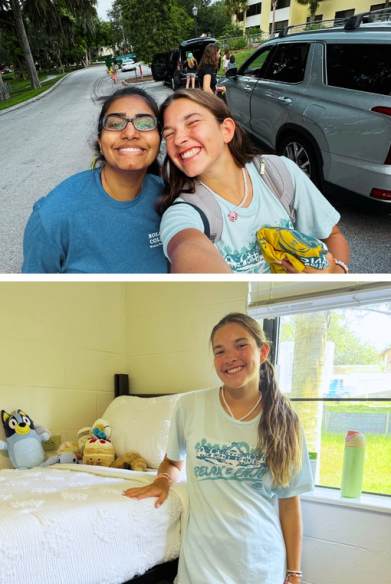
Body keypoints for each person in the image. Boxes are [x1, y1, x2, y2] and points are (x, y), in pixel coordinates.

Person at [124, 313, 312, 584]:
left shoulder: (286, 422)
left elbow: (290, 505)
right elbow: (174, 462)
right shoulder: (189, 407)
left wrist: (294, 573)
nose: (230, 357)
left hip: (260, 563)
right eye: (219, 350)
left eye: (241, 345)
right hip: (202, 566)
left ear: (263, 352)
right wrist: (163, 480)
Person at [157, 89, 350, 273]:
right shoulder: (183, 212)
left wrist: (337, 271)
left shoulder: (281, 173)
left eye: (192, 123)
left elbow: (332, 235)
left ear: (226, 130)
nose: (179, 139)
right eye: (169, 134)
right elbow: (187, 247)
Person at [22, 86, 167, 273]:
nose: (130, 133)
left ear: (159, 139)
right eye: (115, 124)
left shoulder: (170, 200)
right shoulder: (53, 216)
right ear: (100, 140)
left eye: (145, 124)